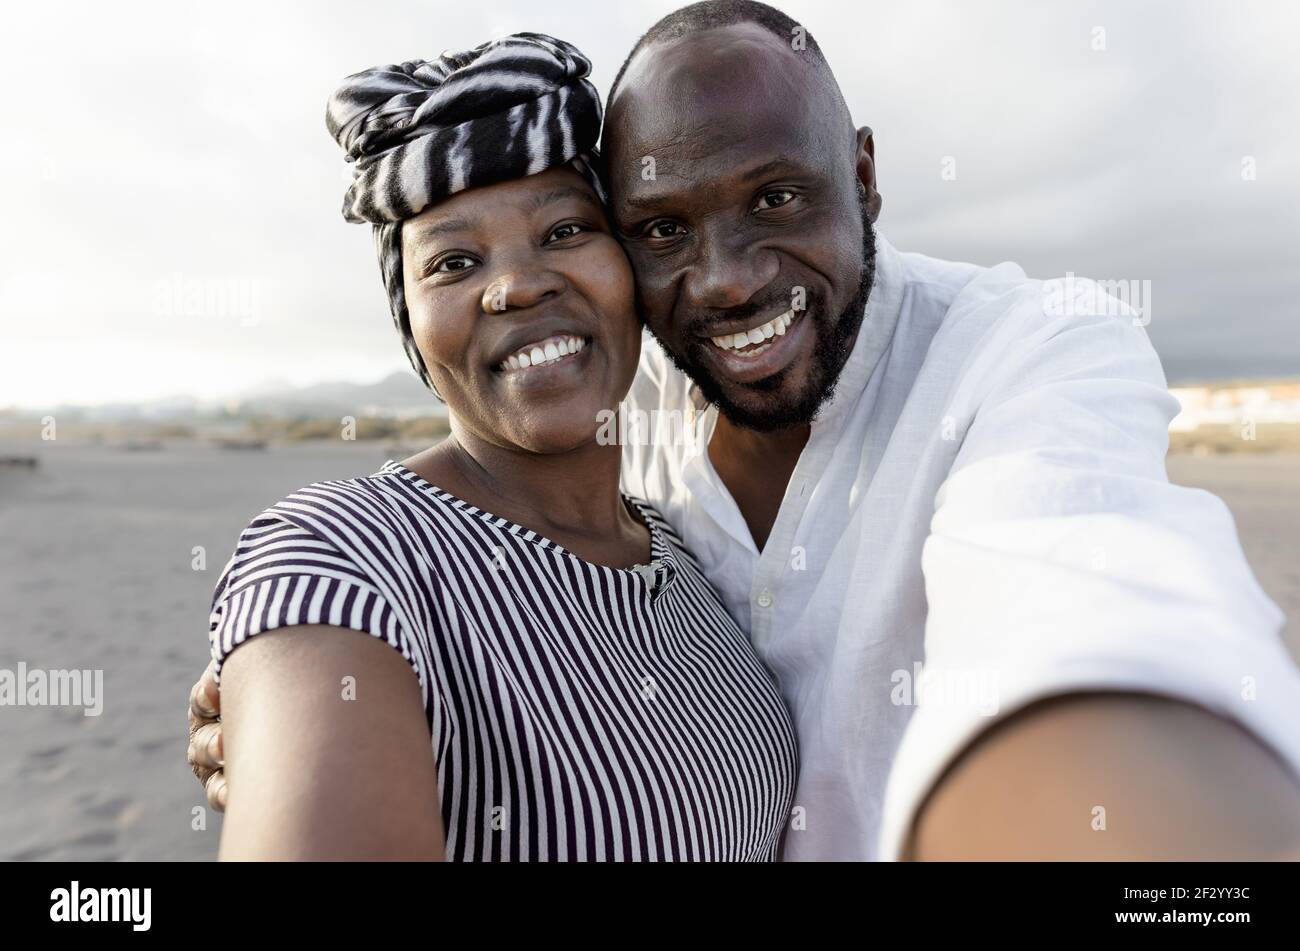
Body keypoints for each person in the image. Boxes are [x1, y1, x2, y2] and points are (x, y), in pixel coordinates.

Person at [192, 2, 1300, 860]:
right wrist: (302, 710)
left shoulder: (1019, 355)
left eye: (775, 199)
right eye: (666, 227)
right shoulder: (367, 545)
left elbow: (1081, 605)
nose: (723, 283)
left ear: (862, 175)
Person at [199, 31, 797, 861]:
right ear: (411, 323)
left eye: (563, 232)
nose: (517, 284)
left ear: (630, 271)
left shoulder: (683, 556)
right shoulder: (344, 557)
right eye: (452, 261)